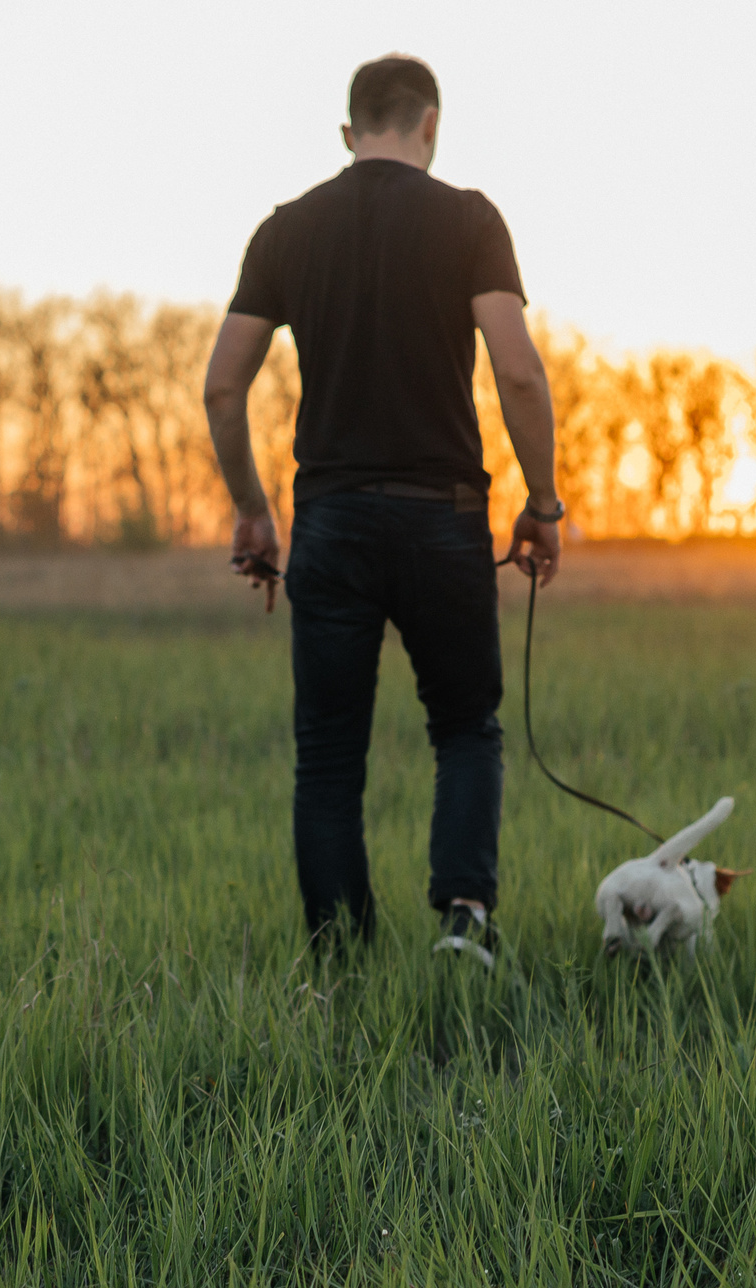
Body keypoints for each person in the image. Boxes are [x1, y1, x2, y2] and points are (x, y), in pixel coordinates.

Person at [201, 54, 563, 968]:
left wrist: (252, 510)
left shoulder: (286, 230)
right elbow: (519, 371)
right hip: (444, 516)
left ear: (348, 131)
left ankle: (340, 959)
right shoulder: (470, 220)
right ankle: (464, 921)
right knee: (466, 726)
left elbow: (221, 387)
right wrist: (543, 501)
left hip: (329, 520)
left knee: (327, 756)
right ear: (430, 125)